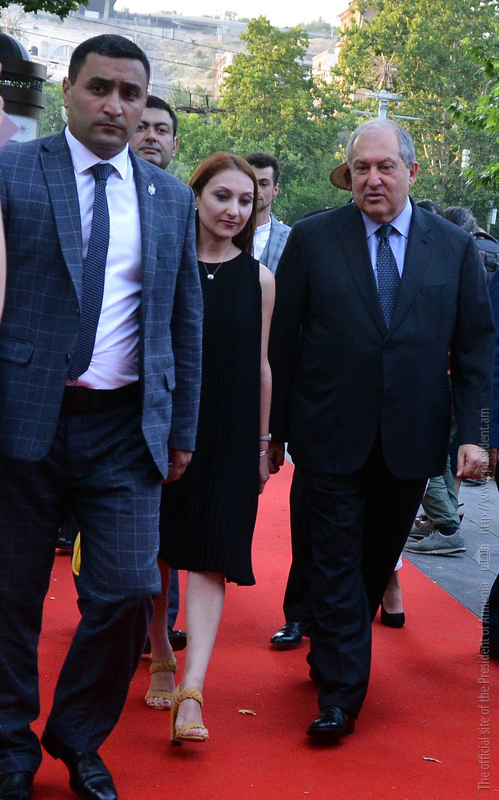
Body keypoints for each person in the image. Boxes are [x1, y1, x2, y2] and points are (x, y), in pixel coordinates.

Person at [0, 34, 203, 800]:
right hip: (23, 420)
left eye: (130, 93)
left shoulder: (169, 198)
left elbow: (183, 321)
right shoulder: (13, 170)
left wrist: (180, 430)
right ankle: (9, 750)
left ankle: (77, 737)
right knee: (10, 597)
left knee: (124, 592)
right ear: (68, 90)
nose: (115, 106)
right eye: (100, 88)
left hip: (124, 429)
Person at [267, 118, 495, 741]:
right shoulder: (314, 239)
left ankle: (332, 650)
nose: (372, 178)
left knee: (372, 561)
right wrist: (273, 432)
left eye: (385, 167)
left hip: (413, 438)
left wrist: (475, 433)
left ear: (411, 172)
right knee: (334, 556)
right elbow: (282, 343)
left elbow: (476, 348)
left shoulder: (453, 247)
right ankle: (342, 696)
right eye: (361, 168)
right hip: (328, 432)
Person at [144, 152, 274, 744]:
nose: (234, 210)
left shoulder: (260, 279)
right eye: (223, 196)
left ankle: (192, 690)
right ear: (194, 197)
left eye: (246, 200)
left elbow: (262, 365)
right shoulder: (165, 267)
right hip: (165, 425)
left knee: (214, 553)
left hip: (231, 432)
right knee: (158, 550)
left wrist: (263, 444)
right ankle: (160, 652)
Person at [130, 94, 185, 653]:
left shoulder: (179, 203)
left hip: (158, 398)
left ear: (174, 142)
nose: (150, 135)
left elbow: (185, 320)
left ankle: (159, 626)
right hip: (82, 397)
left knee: (161, 527)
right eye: (142, 126)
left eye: (160, 129)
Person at [245, 152, 290, 274]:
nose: (256, 190)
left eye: (263, 184)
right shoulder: (226, 233)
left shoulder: (290, 238)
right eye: (251, 182)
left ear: (275, 190)